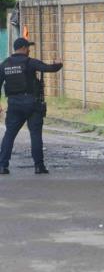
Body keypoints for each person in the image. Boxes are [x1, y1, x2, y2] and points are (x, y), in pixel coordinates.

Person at [0, 38, 63, 175]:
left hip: (14, 104)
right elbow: (48, 68)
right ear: (23, 48)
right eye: (28, 47)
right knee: (35, 135)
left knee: (9, 135)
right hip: (32, 104)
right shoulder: (30, 62)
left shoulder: (5, 64)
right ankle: (39, 166)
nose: (29, 50)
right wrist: (58, 64)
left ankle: (2, 166)